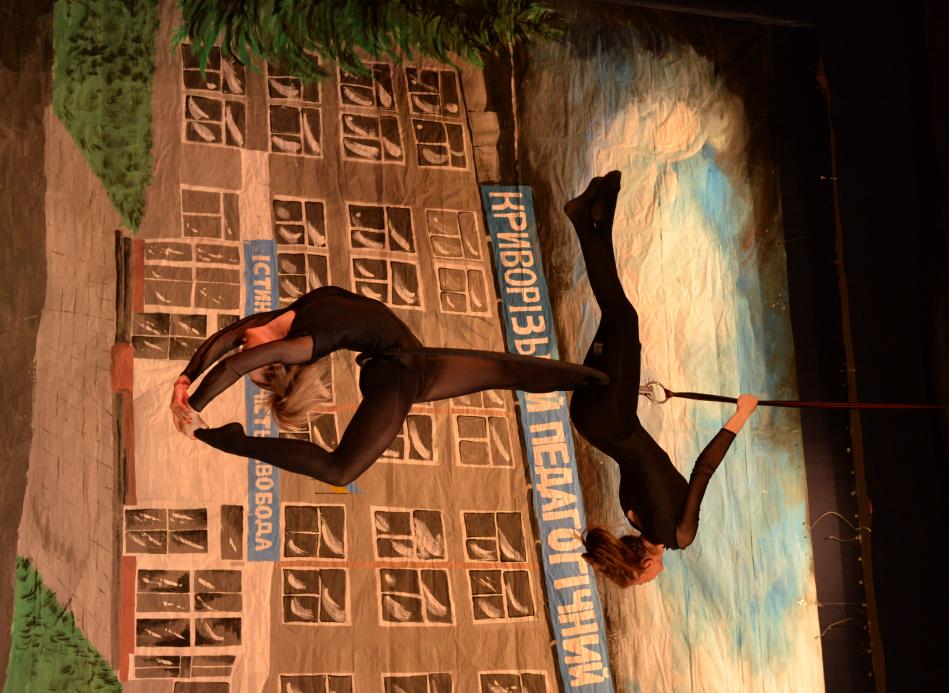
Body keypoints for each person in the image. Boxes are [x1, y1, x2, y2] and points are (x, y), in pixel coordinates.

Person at [170, 285, 606, 485]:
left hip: (413, 368)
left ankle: (589, 380)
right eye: (257, 363)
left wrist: (186, 384)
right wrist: (192, 401)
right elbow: (237, 356)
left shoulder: (294, 318)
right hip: (397, 372)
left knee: (505, 372)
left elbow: (229, 345)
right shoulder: (301, 343)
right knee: (339, 471)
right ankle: (230, 440)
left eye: (247, 349)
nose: (241, 344)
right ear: (276, 358)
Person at [564, 171, 759, 587]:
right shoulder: (632, 515)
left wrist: (741, 416)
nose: (648, 582)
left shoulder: (678, 536)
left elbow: (703, 471)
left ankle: (583, 217)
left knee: (622, 316)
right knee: (618, 315)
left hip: (613, 417)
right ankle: (600, 215)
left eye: (641, 581)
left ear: (645, 567)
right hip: (589, 420)